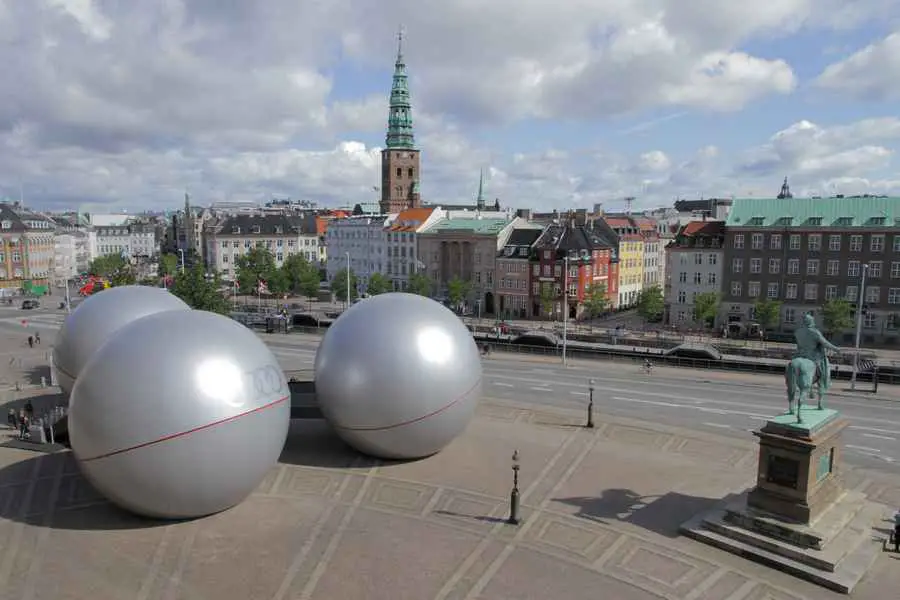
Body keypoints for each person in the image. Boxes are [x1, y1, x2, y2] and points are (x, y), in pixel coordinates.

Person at [793, 313, 840, 390]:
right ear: (811, 321)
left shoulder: (797, 332)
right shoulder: (814, 332)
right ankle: (825, 381)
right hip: (812, 355)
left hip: (799, 354)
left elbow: (799, 345)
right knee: (825, 364)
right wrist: (836, 349)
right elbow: (825, 343)